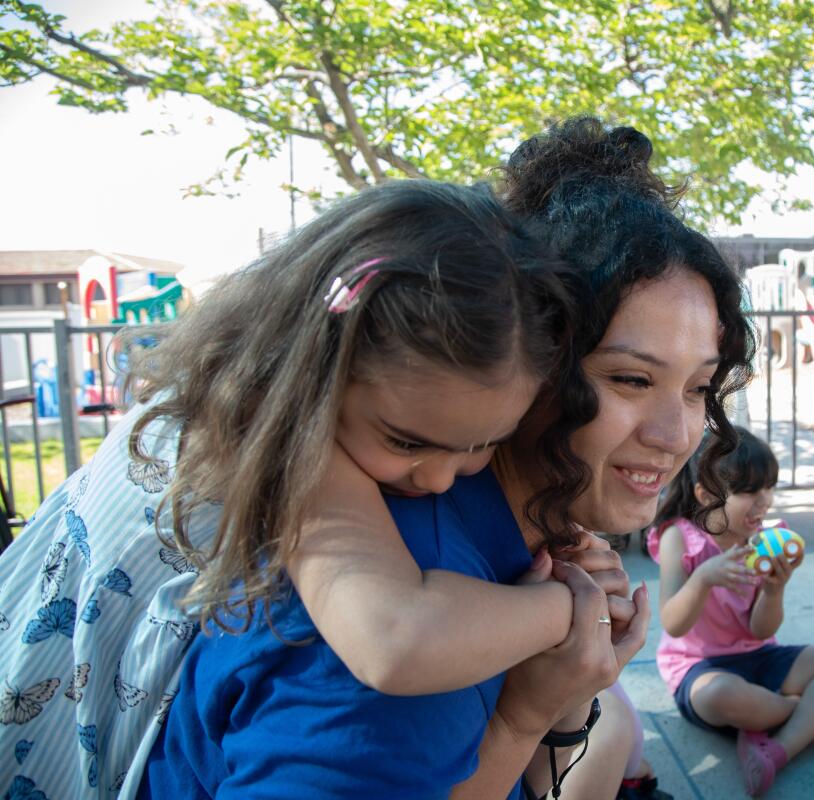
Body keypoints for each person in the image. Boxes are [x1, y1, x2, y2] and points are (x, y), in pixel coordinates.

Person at [138, 116, 755, 799]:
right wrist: (540, 673)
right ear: (527, 364)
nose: (676, 436)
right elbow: (394, 656)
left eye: (700, 387)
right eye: (631, 380)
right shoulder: (402, 613)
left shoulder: (505, 539)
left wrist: (552, 699)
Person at [0, 179, 584, 799]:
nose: (439, 479)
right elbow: (394, 640)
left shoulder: (245, 387)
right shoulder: (278, 436)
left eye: (480, 446)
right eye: (408, 443)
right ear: (321, 365)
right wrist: (569, 609)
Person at [647, 427, 814, 797]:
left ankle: (780, 746)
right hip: (699, 668)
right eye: (750, 491)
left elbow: (759, 631)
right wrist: (703, 579)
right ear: (707, 495)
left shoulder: (764, 541)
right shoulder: (681, 537)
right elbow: (673, 623)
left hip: (760, 656)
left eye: (769, 487)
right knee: (721, 696)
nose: (764, 501)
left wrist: (775, 588)